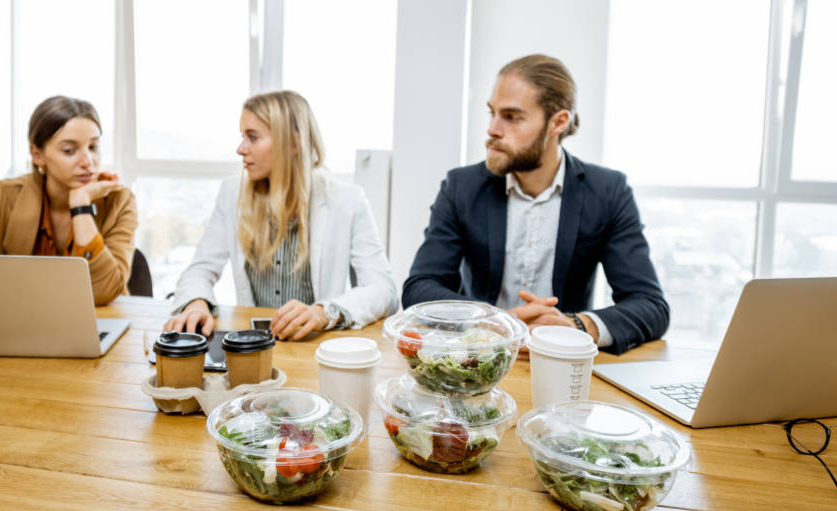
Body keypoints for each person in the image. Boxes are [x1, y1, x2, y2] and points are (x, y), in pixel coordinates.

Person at [403, 55, 668, 356]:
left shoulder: (608, 191)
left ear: (558, 122)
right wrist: (497, 324)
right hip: (473, 359)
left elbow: (651, 306)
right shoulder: (461, 186)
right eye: (492, 113)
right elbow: (420, 288)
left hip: (562, 363)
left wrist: (576, 326)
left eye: (512, 117)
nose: (492, 129)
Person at [163, 90, 398, 341]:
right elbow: (199, 269)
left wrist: (322, 312)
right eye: (242, 136)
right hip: (256, 347)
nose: (240, 148)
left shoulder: (348, 200)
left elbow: (384, 292)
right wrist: (196, 303)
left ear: (294, 144)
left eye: (253, 137)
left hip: (312, 347)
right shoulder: (231, 193)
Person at [0, 96, 137, 306]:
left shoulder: (120, 201)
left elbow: (103, 292)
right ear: (37, 155)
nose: (88, 162)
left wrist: (81, 205)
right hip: (25, 321)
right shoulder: (4, 196)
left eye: (93, 147)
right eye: (69, 150)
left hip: (101, 323)